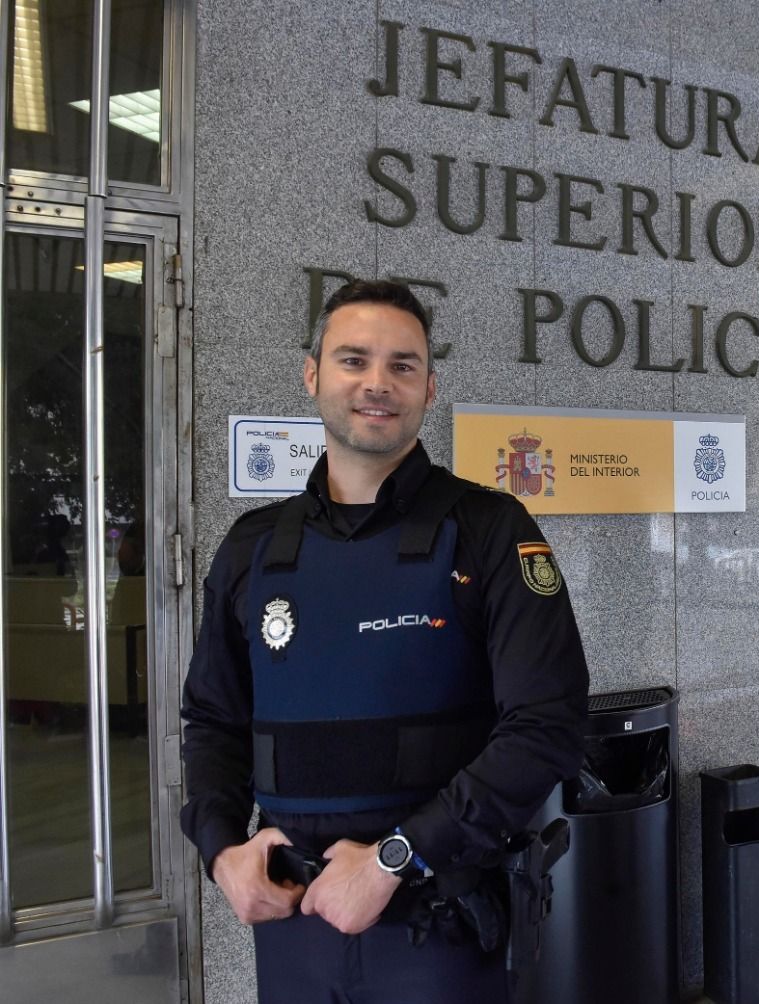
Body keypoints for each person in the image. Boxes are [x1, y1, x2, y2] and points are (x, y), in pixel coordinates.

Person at [179, 280, 589, 1004]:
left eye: (402, 365)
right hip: (293, 922)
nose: (377, 383)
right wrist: (220, 852)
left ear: (430, 388)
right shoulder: (252, 549)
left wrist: (395, 859)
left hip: (437, 927)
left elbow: (546, 726)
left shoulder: (491, 530)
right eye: (353, 359)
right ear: (312, 375)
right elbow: (213, 721)